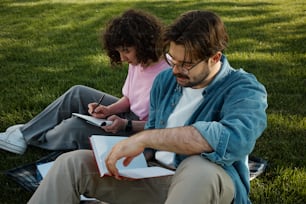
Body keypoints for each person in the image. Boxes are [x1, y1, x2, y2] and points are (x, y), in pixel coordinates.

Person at [28, 10, 268, 204]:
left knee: (198, 167)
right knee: (71, 164)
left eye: (185, 64)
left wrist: (144, 138)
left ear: (214, 58)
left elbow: (232, 139)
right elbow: (152, 139)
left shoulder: (244, 90)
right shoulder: (166, 81)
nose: (175, 70)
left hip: (210, 184)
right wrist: (131, 157)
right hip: (156, 176)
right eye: (172, 60)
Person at [0, 9, 168, 155]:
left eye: (126, 51)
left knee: (75, 127)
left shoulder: (167, 74)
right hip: (128, 118)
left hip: (142, 133)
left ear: (144, 44)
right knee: (77, 92)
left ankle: (33, 137)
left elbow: (163, 125)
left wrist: (126, 124)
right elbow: (129, 99)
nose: (123, 58)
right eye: (119, 52)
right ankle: (24, 133)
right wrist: (108, 109)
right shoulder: (139, 62)